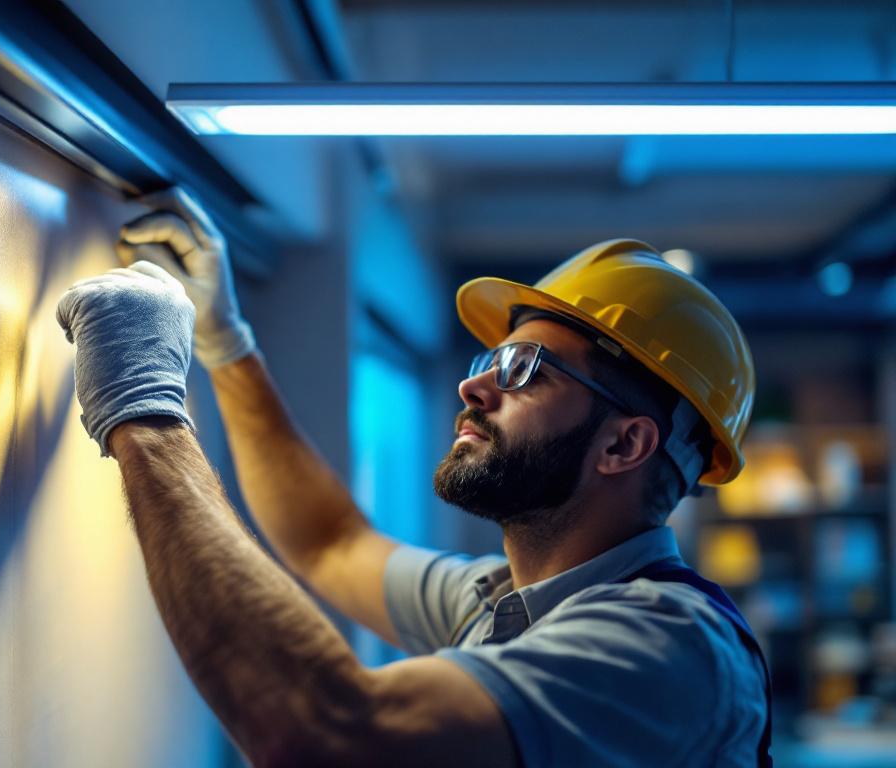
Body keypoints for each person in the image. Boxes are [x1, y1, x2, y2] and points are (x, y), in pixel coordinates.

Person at [55, 188, 771, 767]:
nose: (476, 388)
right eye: (487, 362)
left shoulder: (669, 647)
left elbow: (325, 735)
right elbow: (328, 543)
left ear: (624, 443)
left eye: (523, 371)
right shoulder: (496, 604)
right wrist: (225, 341)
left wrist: (143, 415)